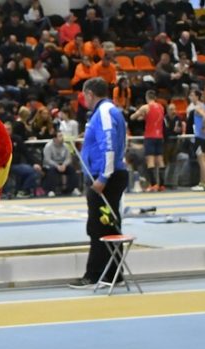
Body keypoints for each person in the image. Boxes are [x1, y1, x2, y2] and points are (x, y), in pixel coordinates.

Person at [69, 77, 128, 289]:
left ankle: (94, 275)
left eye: (84, 95)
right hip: (108, 175)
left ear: (90, 94)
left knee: (99, 227)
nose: (83, 99)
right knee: (108, 225)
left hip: (104, 179)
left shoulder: (104, 112)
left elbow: (109, 146)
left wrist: (104, 177)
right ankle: (113, 274)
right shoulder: (108, 112)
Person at [131, 90, 166, 191]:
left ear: (147, 97)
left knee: (150, 161)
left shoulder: (145, 107)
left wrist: (139, 114)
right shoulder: (161, 107)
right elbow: (154, 118)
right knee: (160, 160)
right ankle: (162, 185)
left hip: (150, 136)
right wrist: (144, 117)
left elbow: (133, 117)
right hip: (159, 136)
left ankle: (153, 184)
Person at [42, 132, 80, 197]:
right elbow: (47, 159)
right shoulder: (48, 146)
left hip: (63, 164)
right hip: (51, 165)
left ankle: (74, 189)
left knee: (71, 169)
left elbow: (68, 158)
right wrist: (57, 166)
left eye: (62, 136)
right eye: (60, 136)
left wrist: (64, 165)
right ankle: (51, 191)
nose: (62, 138)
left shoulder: (66, 146)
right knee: (51, 170)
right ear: (54, 138)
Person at [189, 89, 205, 191]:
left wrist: (203, 127)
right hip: (202, 138)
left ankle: (202, 184)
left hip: (200, 138)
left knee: (201, 161)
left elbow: (204, 116)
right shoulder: (203, 106)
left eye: (192, 95)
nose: (190, 97)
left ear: (197, 97)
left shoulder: (198, 107)